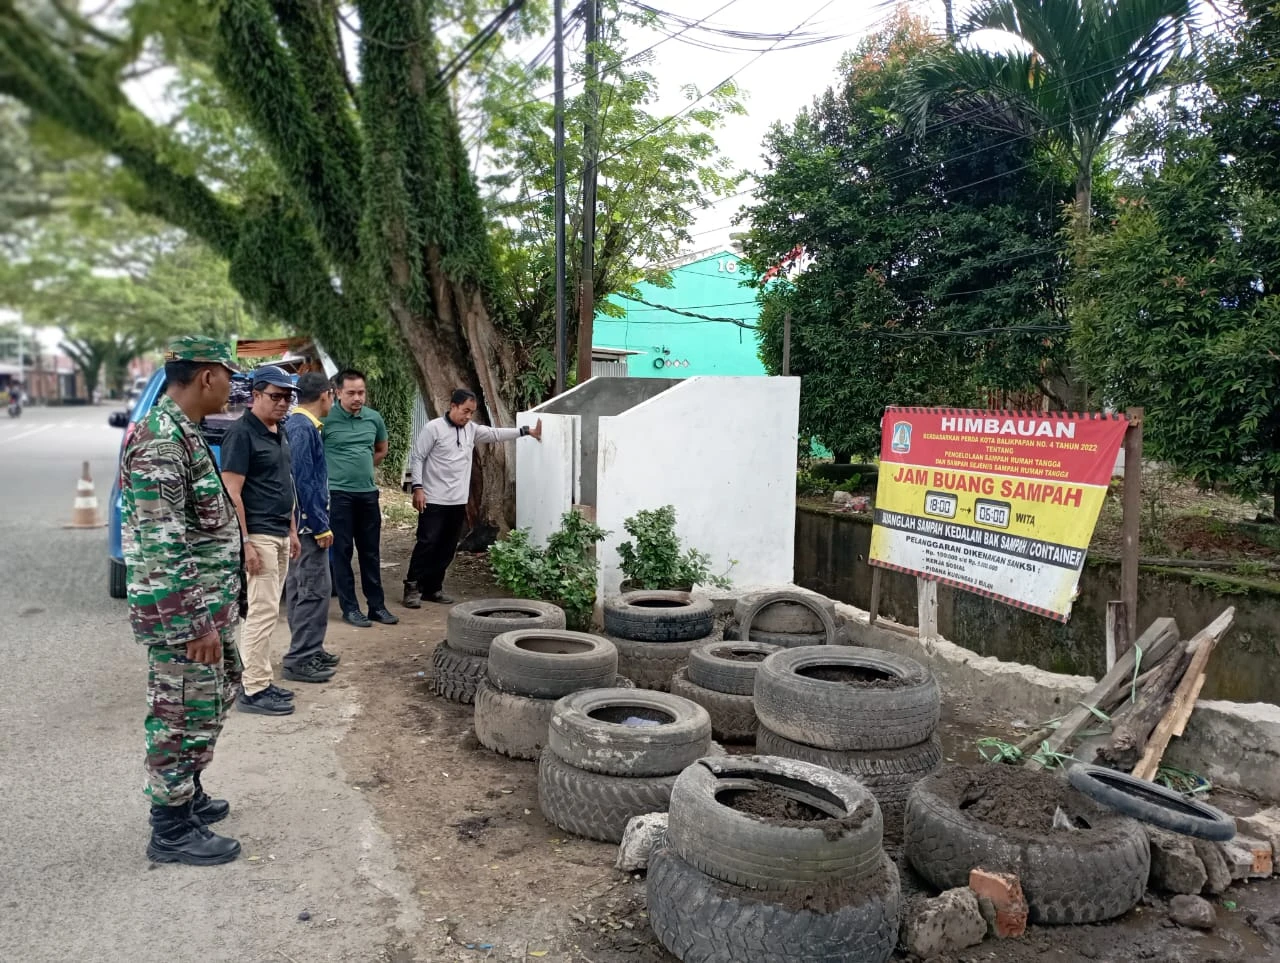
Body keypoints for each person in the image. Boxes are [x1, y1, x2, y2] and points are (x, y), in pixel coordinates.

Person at [120, 335, 244, 866]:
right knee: (178, 717)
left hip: (208, 608)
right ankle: (169, 828)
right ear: (207, 377)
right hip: (186, 619)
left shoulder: (183, 432)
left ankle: (187, 795)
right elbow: (162, 541)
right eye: (229, 375)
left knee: (210, 703)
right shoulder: (161, 440)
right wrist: (195, 624)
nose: (233, 386)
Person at [404, 389, 542, 607]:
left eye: (472, 413)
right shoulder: (434, 429)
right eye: (465, 411)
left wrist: (525, 431)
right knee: (427, 543)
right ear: (453, 406)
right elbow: (418, 457)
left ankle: (433, 588)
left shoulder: (472, 430)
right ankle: (412, 586)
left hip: (457, 501)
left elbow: (495, 434)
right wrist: (418, 488)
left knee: (448, 546)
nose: (468, 416)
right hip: (433, 499)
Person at [221, 365, 303, 715]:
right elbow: (232, 491)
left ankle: (261, 680)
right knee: (261, 613)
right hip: (258, 535)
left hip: (280, 532)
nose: (283, 403)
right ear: (255, 395)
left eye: (288, 397)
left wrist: (293, 530)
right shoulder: (242, 434)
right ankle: (252, 690)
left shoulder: (277, 430)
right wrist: (245, 543)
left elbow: (284, 482)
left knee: (268, 613)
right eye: (275, 396)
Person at [324, 369, 400, 628]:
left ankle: (377, 607)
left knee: (370, 552)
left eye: (361, 392)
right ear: (337, 393)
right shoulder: (327, 419)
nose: (357, 398)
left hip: (367, 494)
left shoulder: (373, 418)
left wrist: (362, 465)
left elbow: (381, 450)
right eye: (351, 393)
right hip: (339, 496)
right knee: (343, 553)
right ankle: (350, 608)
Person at [282, 372, 341, 680]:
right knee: (312, 590)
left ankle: (310, 649)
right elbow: (304, 483)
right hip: (307, 528)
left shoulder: (302, 426)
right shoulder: (302, 428)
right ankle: (300, 658)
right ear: (326, 395)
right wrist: (320, 525)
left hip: (303, 527)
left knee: (304, 587)